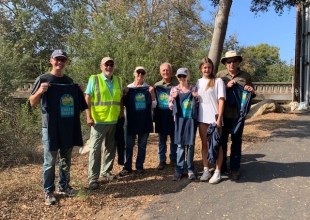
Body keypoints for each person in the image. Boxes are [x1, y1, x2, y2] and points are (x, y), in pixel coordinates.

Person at [29, 49, 87, 205]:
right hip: (50, 127)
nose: (60, 62)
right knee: (49, 161)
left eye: (63, 60)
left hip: (67, 127)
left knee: (66, 160)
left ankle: (64, 186)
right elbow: (32, 102)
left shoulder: (69, 81)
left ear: (66, 62)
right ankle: (48, 191)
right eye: (57, 59)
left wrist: (79, 91)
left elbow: (81, 105)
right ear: (51, 60)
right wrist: (40, 91)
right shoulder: (43, 79)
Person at [85, 57, 123, 190]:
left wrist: (121, 113)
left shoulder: (118, 80)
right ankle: (93, 178)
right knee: (95, 149)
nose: (109, 67)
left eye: (111, 64)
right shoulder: (94, 79)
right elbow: (87, 98)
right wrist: (88, 116)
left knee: (110, 147)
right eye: (106, 64)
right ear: (101, 66)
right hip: (98, 121)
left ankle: (105, 172)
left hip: (113, 120)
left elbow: (120, 98)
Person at [217, 50, 255, 180]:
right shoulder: (220, 76)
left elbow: (251, 93)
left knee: (236, 142)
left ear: (238, 62)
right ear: (225, 64)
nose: (231, 64)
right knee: (221, 142)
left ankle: (234, 169)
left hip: (238, 116)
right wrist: (226, 87)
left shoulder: (245, 76)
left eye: (234, 61)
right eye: (229, 61)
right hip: (223, 114)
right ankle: (221, 167)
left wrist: (250, 89)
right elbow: (215, 93)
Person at [121, 66, 156, 175]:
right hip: (131, 122)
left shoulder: (148, 88)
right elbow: (121, 103)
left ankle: (139, 166)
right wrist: (124, 93)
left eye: (142, 72)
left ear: (145, 74)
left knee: (142, 145)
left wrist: (152, 94)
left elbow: (154, 105)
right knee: (129, 145)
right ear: (134, 73)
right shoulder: (128, 88)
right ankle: (127, 167)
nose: (140, 74)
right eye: (138, 72)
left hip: (144, 121)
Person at [196, 57, 226, 184]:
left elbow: (221, 100)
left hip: (214, 118)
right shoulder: (198, 82)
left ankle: (218, 172)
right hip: (202, 118)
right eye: (204, 67)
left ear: (212, 68)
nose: (206, 69)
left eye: (208, 67)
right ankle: (206, 169)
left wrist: (219, 117)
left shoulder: (218, 81)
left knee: (217, 144)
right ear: (201, 69)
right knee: (205, 144)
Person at [169, 68, 198, 181]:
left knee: (190, 145)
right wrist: (173, 98)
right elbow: (170, 106)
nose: (182, 78)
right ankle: (179, 169)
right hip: (180, 121)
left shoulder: (193, 88)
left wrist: (196, 97)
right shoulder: (174, 89)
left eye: (184, 76)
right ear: (177, 77)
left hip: (191, 121)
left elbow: (198, 104)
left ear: (187, 76)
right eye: (180, 76)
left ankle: (190, 169)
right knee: (180, 145)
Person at [154, 62, 179, 170]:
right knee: (162, 140)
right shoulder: (157, 86)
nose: (165, 72)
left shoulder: (177, 84)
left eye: (167, 70)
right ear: (160, 72)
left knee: (174, 139)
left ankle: (173, 159)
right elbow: (153, 101)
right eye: (163, 70)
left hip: (173, 116)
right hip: (161, 116)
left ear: (171, 71)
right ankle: (162, 160)